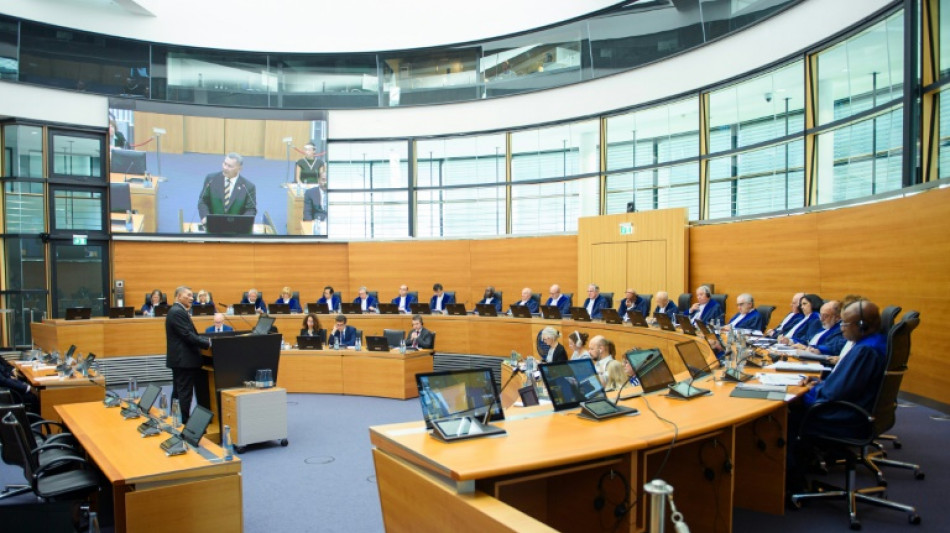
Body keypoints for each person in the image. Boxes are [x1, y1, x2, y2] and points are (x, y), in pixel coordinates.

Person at [787, 300, 887, 492]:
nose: (841, 328)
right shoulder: (872, 343)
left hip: (845, 417)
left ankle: (793, 485)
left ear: (861, 325)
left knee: (785, 417)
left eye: (845, 323)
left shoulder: (865, 351)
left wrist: (804, 394)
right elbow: (842, 385)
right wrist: (817, 383)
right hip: (856, 410)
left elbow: (833, 394)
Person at [165, 286, 212, 424]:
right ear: (179, 296)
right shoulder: (177, 312)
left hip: (180, 360)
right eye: (189, 295)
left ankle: (176, 419)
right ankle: (184, 422)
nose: (192, 298)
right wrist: (208, 343)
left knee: (178, 391)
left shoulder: (176, 310)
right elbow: (187, 335)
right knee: (184, 392)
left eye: (192, 295)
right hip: (184, 360)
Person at [197, 152, 257, 224]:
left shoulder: (248, 187)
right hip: (213, 224)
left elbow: (251, 209)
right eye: (224, 164)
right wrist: (205, 217)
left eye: (230, 166)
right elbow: (203, 201)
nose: (225, 168)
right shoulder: (211, 179)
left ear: (239, 168)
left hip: (236, 227)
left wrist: (241, 223)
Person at [303, 169, 328, 236]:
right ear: (318, 180)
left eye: (328, 180)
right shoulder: (310, 193)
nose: (326, 183)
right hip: (317, 225)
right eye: (323, 180)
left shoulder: (335, 193)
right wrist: (310, 228)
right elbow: (307, 213)